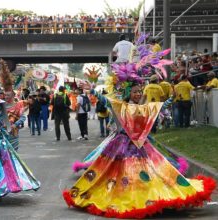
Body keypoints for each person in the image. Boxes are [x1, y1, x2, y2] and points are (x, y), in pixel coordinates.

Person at [63, 36, 215, 218]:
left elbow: (153, 109)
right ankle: (125, 199)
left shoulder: (141, 107)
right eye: (135, 92)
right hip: (122, 146)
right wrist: (93, 90)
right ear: (128, 93)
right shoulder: (121, 106)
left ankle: (149, 197)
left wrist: (166, 102)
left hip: (142, 145)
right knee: (118, 174)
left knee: (151, 172)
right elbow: (105, 100)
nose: (138, 94)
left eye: (139, 92)